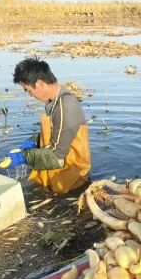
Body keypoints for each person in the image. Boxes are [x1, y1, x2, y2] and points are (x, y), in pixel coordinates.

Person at [6, 57, 91, 193]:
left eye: (28, 90)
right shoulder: (54, 101)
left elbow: (57, 156)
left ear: (39, 84)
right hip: (58, 175)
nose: (30, 95)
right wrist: (36, 141)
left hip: (70, 181)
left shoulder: (65, 105)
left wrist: (25, 157)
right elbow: (57, 132)